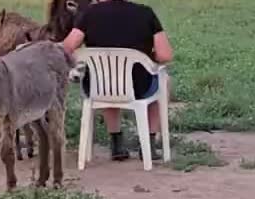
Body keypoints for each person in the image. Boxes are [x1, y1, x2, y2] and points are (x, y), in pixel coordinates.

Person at [62, 0, 173, 161]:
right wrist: (148, 57)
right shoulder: (146, 13)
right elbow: (165, 55)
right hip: (140, 87)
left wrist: (85, 58)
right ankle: (148, 144)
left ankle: (116, 144)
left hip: (98, 87)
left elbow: (67, 47)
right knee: (163, 81)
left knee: (106, 80)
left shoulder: (89, 13)